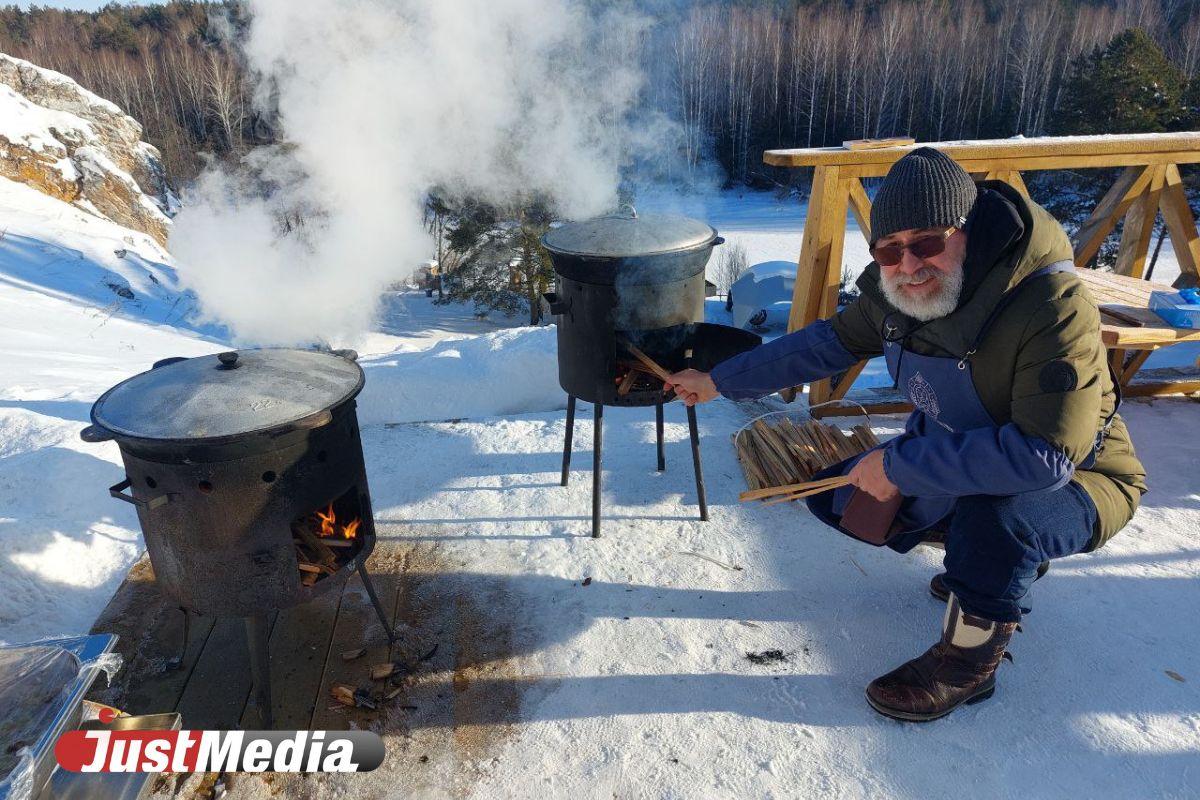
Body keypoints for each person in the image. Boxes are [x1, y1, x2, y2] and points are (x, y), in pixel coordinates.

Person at [666, 147, 1146, 722]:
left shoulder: (1049, 305)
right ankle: (991, 563)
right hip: (962, 454)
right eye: (890, 250)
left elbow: (1043, 457)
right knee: (840, 498)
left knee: (995, 521)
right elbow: (823, 344)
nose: (909, 264)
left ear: (968, 232)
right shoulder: (896, 296)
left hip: (1081, 478)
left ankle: (967, 664)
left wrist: (900, 467)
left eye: (928, 242)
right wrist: (720, 380)